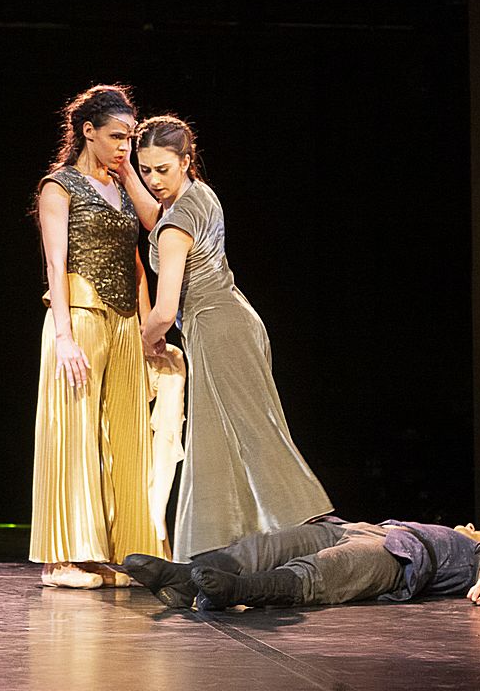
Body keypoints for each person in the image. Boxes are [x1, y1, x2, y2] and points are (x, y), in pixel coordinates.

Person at [132, 115, 332, 560]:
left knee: (253, 433)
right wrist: (128, 173)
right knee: (220, 440)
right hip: (236, 320)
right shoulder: (199, 195)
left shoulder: (176, 225)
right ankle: (225, 547)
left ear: (186, 161)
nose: (154, 180)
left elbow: (164, 311)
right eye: (145, 170)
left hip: (216, 328)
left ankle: (313, 536)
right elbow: (155, 217)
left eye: (162, 169)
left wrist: (144, 342)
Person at [30, 85, 166, 590]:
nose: (124, 147)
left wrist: (149, 331)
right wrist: (63, 336)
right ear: (88, 131)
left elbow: (152, 235)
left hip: (125, 322)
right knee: (75, 430)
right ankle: (64, 558)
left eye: (129, 138)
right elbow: (56, 264)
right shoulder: (59, 186)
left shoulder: (123, 187)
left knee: (128, 435)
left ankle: (121, 552)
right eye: (116, 137)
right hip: (80, 315)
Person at [120, 519, 480, 609]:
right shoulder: (426, 524)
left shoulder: (477, 551)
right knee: (270, 544)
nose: (469, 527)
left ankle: (238, 591)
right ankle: (182, 576)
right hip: (354, 528)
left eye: (477, 530)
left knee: (330, 567)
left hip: (404, 558)